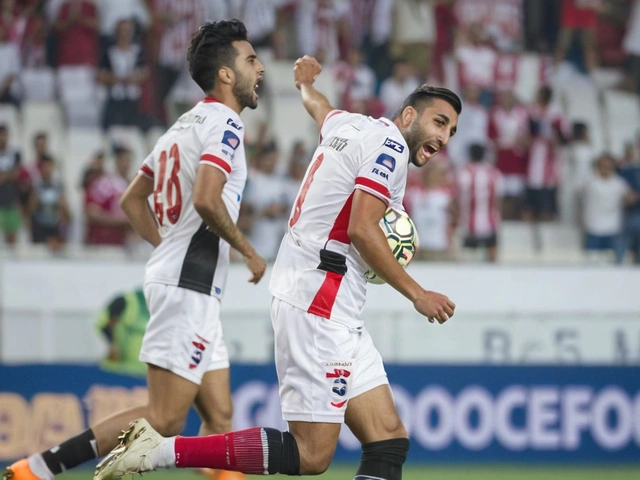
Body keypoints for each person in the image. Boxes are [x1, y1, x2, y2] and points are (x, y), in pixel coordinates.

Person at [92, 55, 459, 480]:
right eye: (439, 122)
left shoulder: (351, 126)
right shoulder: (392, 147)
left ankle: (160, 450)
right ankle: (160, 451)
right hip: (321, 300)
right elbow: (362, 227)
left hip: (327, 297)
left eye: (450, 130)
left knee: (388, 439)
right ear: (409, 114)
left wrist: (304, 84)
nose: (444, 137)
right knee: (311, 455)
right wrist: (418, 293)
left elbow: (320, 107)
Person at [3, 19, 266, 480]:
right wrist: (247, 249)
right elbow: (206, 199)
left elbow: (132, 199)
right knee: (164, 420)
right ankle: (38, 468)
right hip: (189, 285)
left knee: (220, 417)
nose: (260, 68)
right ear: (226, 74)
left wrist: (167, 247)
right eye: (250, 60)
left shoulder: (182, 125)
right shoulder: (225, 124)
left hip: (189, 283)